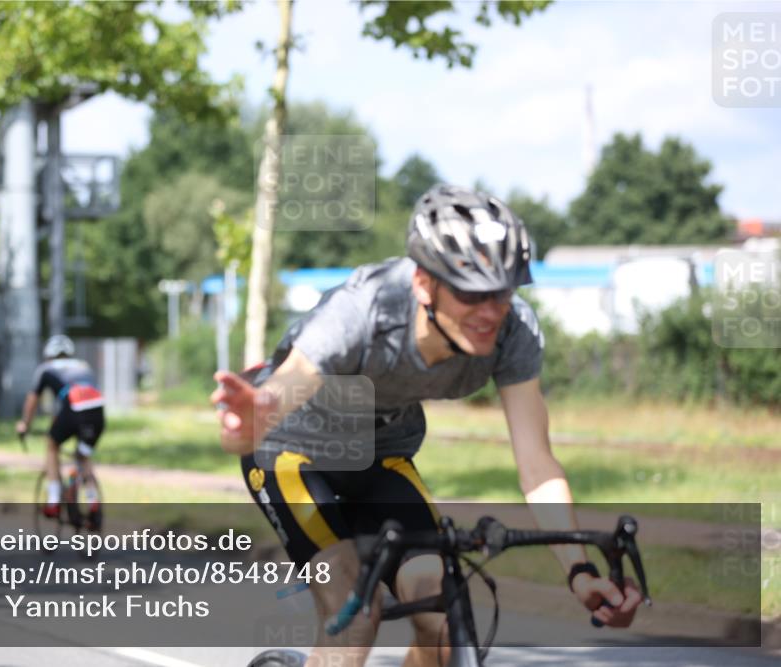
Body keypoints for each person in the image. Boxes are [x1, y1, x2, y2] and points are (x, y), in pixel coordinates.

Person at [211, 185, 642, 667]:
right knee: (355, 610)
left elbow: (538, 465)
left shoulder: (512, 331)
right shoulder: (363, 312)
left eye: (502, 291)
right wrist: (249, 423)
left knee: (442, 613)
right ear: (422, 283)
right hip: (292, 452)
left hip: (383, 457)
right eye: (469, 292)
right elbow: (284, 390)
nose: (489, 311)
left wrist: (580, 573)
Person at [16, 335, 105, 530]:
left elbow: (32, 401)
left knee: (51, 444)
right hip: (97, 412)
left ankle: (54, 500)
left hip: (73, 410)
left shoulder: (46, 369)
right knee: (83, 455)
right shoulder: (83, 366)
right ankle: (92, 500)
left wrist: (25, 424)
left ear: (49, 355)